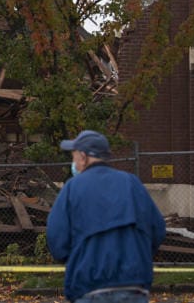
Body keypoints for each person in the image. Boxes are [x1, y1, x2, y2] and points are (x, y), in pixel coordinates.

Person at [46, 130, 166, 303]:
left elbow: (57, 240)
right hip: (133, 285)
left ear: (83, 156)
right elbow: (157, 230)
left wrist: (77, 260)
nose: (74, 163)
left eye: (74, 157)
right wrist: (138, 256)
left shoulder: (73, 188)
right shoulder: (131, 184)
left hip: (89, 285)